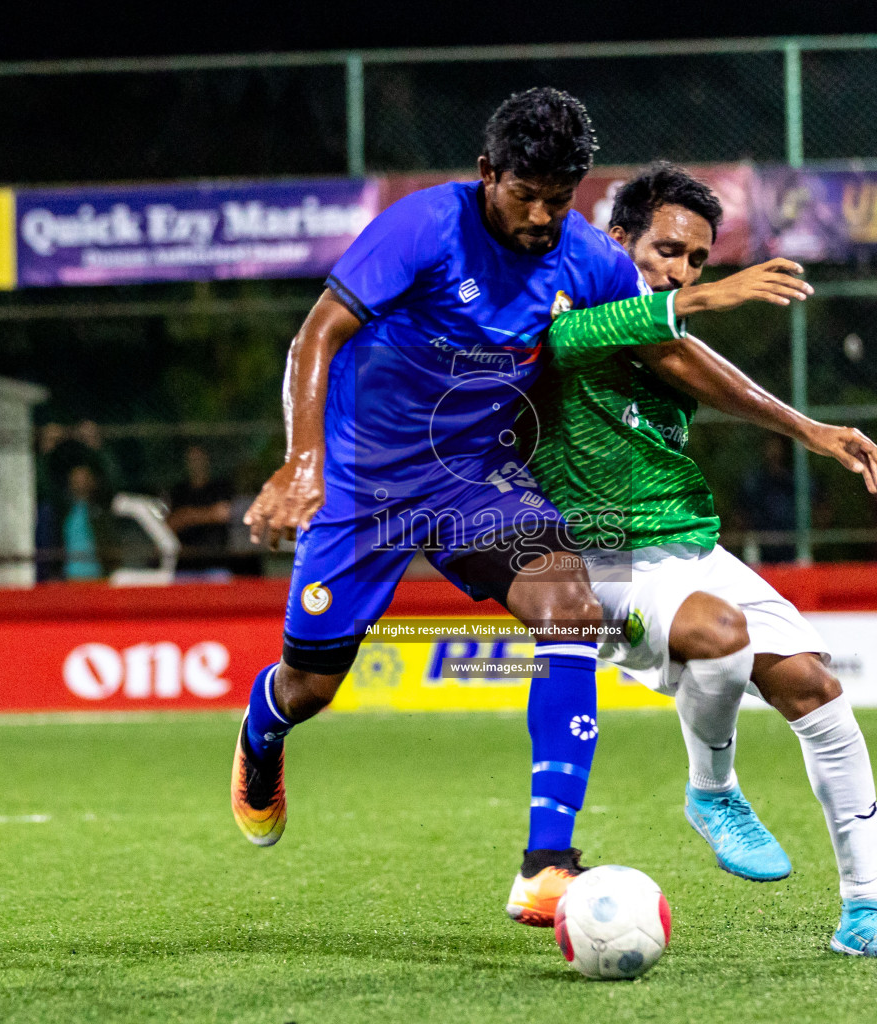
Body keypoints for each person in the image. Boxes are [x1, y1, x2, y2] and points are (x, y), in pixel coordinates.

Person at [237, 88, 652, 928]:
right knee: (312, 683)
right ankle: (262, 733)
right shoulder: (423, 226)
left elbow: (646, 359)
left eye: (558, 199)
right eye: (522, 195)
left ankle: (547, 864)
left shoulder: (593, 263)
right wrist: (303, 465)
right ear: (486, 174)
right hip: (362, 478)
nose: (540, 216)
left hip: (474, 476)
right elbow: (316, 335)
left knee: (570, 607)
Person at [528, 162, 877, 959]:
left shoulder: (657, 325)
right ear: (617, 242)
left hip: (689, 544)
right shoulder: (562, 298)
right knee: (721, 633)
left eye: (696, 261)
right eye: (665, 250)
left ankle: (866, 911)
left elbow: (700, 370)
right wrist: (695, 301)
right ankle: (712, 793)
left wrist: (810, 429)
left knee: (818, 693)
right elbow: (561, 340)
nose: (679, 269)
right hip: (598, 564)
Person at [166, 444, 236, 580]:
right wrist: (207, 514)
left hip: (215, 565)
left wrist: (187, 516)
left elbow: (223, 514)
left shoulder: (219, 488)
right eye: (191, 459)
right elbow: (169, 525)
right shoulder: (179, 491)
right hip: (185, 566)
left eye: (199, 458)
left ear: (206, 460)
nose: (195, 463)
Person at [735, 434, 798, 564]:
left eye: (777, 449)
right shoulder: (755, 483)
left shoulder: (793, 482)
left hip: (791, 544)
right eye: (770, 448)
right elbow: (741, 516)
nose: (774, 453)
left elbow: (819, 511)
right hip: (761, 546)